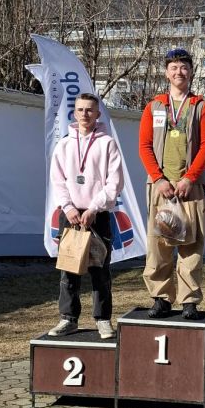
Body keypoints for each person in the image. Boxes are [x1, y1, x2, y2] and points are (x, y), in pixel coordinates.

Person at [138, 47, 205, 319]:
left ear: (191, 72)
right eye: (174, 68)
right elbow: (144, 146)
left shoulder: (201, 107)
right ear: (166, 73)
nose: (179, 72)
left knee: (191, 245)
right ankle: (160, 298)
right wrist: (158, 179)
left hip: (190, 188)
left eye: (184, 67)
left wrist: (189, 178)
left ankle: (189, 300)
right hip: (160, 188)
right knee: (158, 243)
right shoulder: (154, 106)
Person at [49, 93, 124, 340]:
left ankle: (103, 320)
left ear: (98, 114)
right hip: (70, 215)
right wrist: (68, 207)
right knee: (69, 270)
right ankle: (68, 319)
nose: (84, 114)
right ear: (74, 113)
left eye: (90, 110)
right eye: (80, 109)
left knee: (100, 270)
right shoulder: (64, 145)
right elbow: (57, 181)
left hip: (97, 215)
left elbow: (115, 182)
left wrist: (94, 208)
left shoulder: (107, 143)